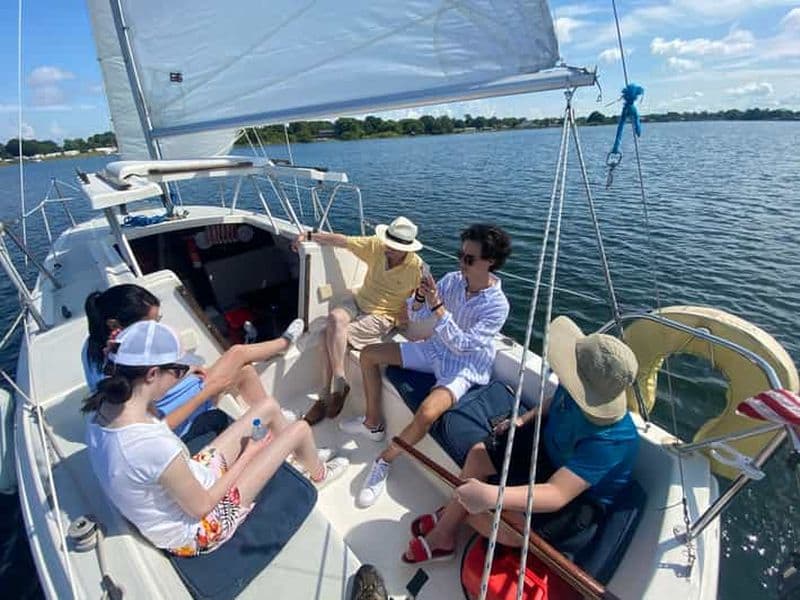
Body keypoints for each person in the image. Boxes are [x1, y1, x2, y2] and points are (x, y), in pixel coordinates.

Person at [84, 320, 349, 557]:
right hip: (200, 528)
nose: (183, 373)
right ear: (152, 374)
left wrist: (190, 373)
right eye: (177, 370)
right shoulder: (150, 447)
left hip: (192, 476)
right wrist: (248, 455)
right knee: (300, 429)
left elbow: (159, 431)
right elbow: (202, 507)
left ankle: (291, 456)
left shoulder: (107, 408)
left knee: (266, 408)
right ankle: (318, 474)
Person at [400, 316, 640, 564]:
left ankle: (451, 519)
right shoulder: (578, 386)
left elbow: (558, 493)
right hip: (552, 451)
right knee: (478, 454)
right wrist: (524, 419)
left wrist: (492, 495)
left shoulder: (612, 442)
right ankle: (444, 534)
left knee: (486, 519)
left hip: (579, 498)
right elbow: (554, 403)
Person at [340, 223, 512, 508]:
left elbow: (463, 345)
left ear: (490, 262)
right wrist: (421, 295)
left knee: (427, 412)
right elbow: (414, 312)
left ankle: (384, 461)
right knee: (369, 355)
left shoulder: (498, 305)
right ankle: (373, 423)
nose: (461, 262)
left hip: (464, 366)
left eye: (469, 259)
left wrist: (438, 308)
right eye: (461, 255)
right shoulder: (453, 280)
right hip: (435, 348)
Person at [83, 284, 304, 441]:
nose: (158, 330)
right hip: (177, 415)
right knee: (238, 357)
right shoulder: (116, 374)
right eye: (150, 324)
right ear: (115, 324)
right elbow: (158, 425)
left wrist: (186, 371)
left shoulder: (95, 349)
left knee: (242, 365)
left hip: (171, 399)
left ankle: (273, 418)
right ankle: (284, 344)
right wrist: (207, 392)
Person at [294, 217, 423, 425]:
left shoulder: (416, 269)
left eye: (394, 247)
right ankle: (340, 380)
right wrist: (309, 236)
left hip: (382, 315)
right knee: (335, 317)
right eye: (388, 243)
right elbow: (342, 241)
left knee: (326, 336)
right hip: (358, 301)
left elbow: (421, 300)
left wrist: (404, 318)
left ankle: (325, 395)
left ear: (407, 249)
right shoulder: (376, 246)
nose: (388, 248)